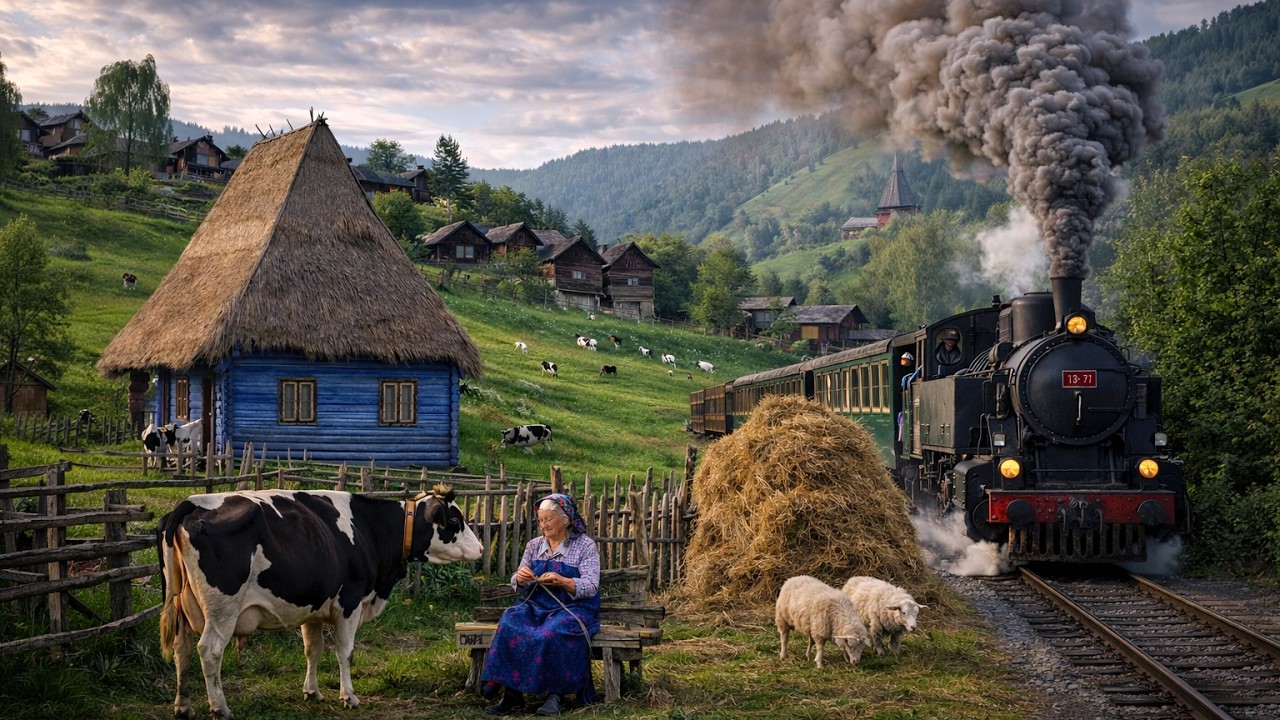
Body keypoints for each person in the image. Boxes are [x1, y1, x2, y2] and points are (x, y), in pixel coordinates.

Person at [482, 494, 601, 716]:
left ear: (565, 519)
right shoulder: (534, 546)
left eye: (548, 519)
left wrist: (563, 581)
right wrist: (521, 577)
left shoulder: (585, 546)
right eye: (540, 520)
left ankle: (556, 695)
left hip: (573, 609)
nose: (543, 525)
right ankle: (512, 694)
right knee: (510, 622)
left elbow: (591, 585)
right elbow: (516, 582)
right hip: (536, 606)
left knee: (551, 633)